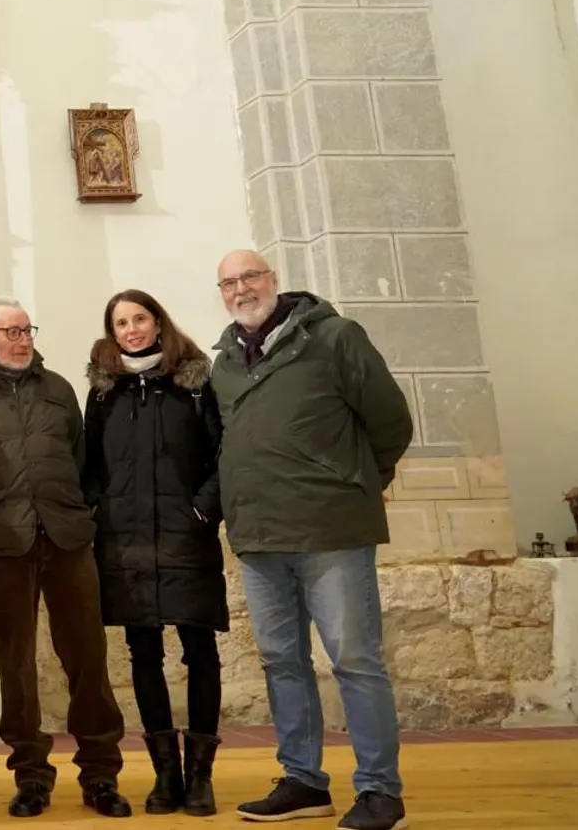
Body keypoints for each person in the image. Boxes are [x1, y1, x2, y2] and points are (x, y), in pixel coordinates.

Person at [211, 251, 413, 830]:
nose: (241, 289)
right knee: (281, 661)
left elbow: (390, 421)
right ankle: (303, 781)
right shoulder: (224, 362)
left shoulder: (335, 338)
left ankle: (380, 792)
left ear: (273, 281)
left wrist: (354, 482)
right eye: (229, 282)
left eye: (250, 277)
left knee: (355, 659)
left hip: (332, 532)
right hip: (260, 536)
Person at [0, 295, 131, 819]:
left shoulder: (57, 389)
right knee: (17, 663)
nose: (23, 339)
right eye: (10, 332)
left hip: (67, 538)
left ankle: (100, 773)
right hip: (1, 543)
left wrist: (75, 513)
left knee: (86, 656)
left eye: (26, 329)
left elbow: (80, 460)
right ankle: (31, 773)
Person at [81, 291, 227, 817]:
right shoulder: (104, 392)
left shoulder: (194, 382)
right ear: (112, 332)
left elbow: (221, 451)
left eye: (140, 318)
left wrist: (204, 509)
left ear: (158, 321)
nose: (132, 329)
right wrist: (100, 509)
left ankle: (200, 776)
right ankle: (166, 775)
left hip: (187, 534)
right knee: (144, 656)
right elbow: (89, 462)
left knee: (200, 652)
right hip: (126, 539)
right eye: (121, 322)